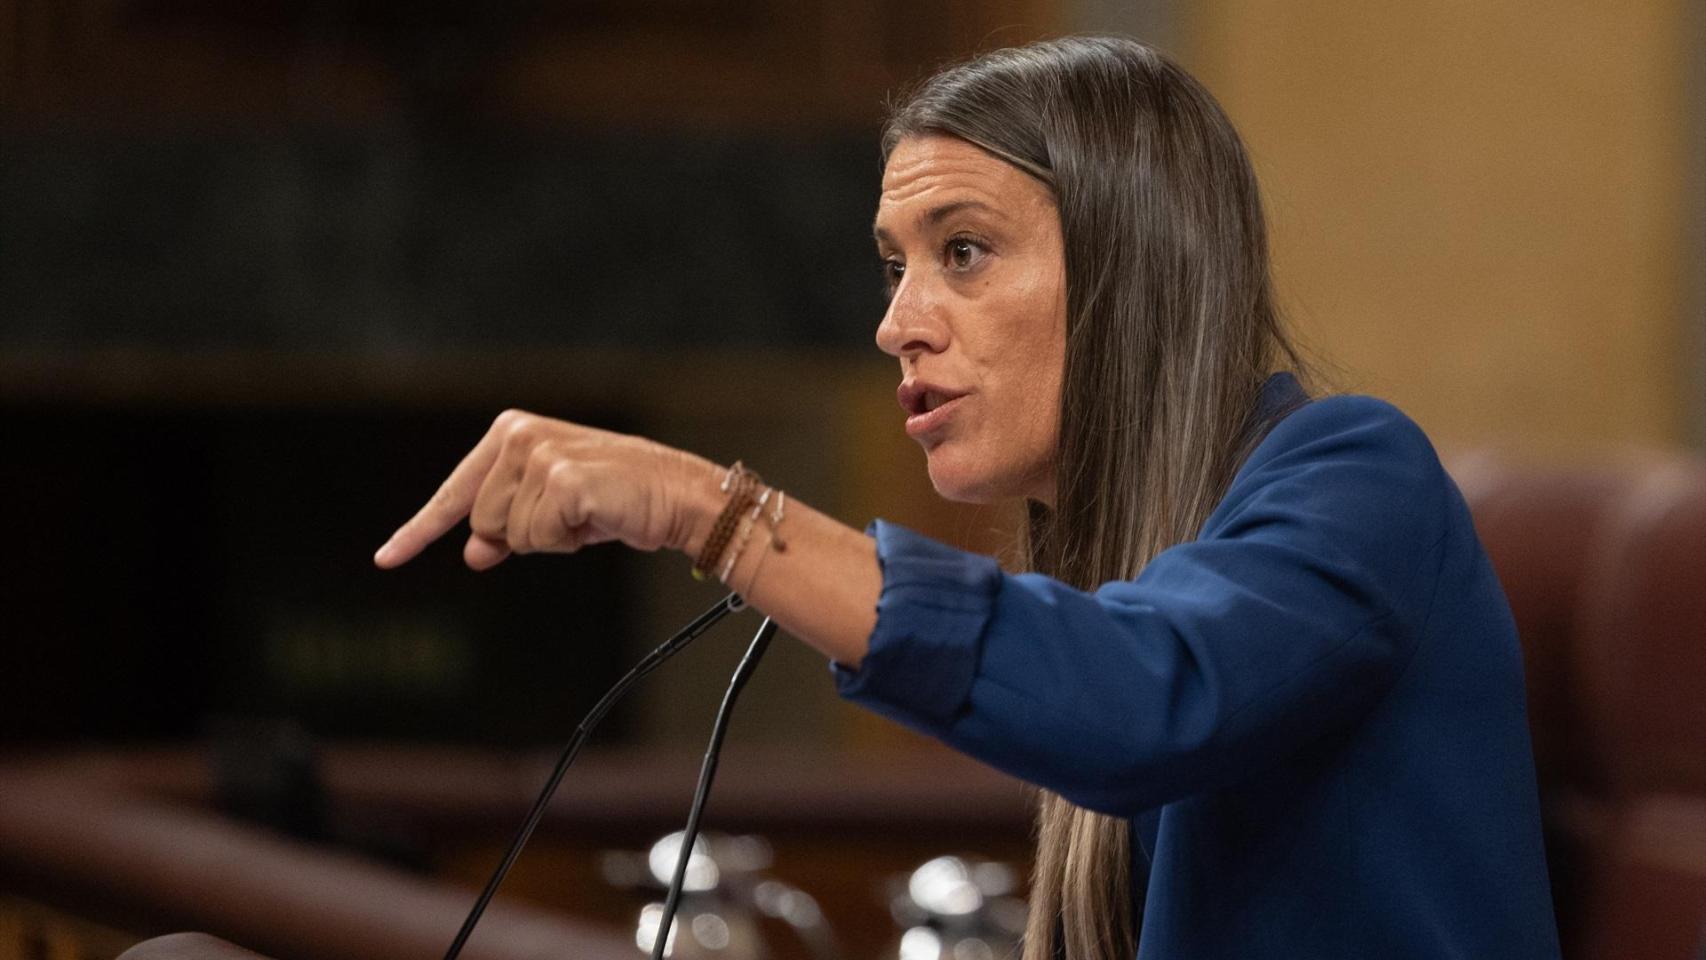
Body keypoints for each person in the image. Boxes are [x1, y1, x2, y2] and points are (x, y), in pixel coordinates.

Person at [374, 36, 1560, 960]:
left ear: (1130, 266)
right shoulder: (1122, 558)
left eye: (963, 250)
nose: (896, 322)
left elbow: (1139, 698)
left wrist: (712, 513)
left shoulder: (1358, 473)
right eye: (895, 264)